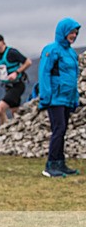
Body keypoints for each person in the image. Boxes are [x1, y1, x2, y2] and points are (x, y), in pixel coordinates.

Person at [38, 18, 81, 178]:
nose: (74, 35)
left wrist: (74, 97)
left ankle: (60, 163)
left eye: (76, 32)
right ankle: (50, 166)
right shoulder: (52, 50)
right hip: (55, 97)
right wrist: (46, 96)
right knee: (59, 129)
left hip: (67, 98)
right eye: (71, 32)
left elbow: (73, 77)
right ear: (63, 32)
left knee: (62, 130)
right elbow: (44, 73)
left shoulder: (71, 52)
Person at [0, 34, 32, 126]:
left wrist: (16, 72)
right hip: (7, 87)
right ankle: (19, 132)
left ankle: (3, 132)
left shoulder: (12, 53)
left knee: (0, 110)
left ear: (3, 42)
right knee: (15, 113)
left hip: (17, 85)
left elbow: (28, 62)